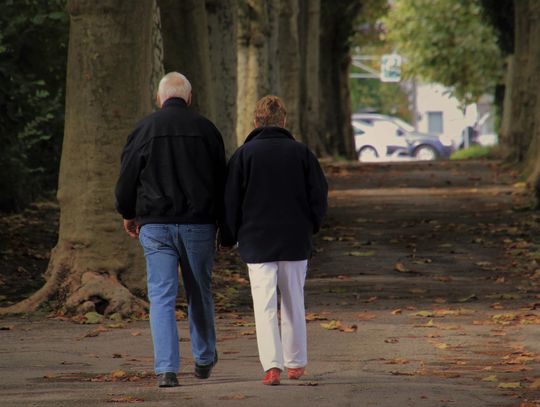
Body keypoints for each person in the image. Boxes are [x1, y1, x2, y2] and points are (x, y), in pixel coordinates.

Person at [115, 72, 224, 388]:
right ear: (189, 97)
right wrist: (225, 225)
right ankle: (204, 358)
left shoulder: (144, 129)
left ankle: (166, 369)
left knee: (161, 296)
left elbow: (126, 179)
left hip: (156, 225)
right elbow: (223, 181)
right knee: (198, 293)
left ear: (159, 97)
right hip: (199, 226)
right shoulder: (207, 130)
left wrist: (128, 213)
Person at [222, 95, 328, 385]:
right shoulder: (302, 153)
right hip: (295, 239)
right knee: (294, 300)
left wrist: (228, 237)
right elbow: (318, 195)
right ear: (284, 121)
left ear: (256, 122)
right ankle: (296, 362)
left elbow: (231, 201)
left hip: (256, 240)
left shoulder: (243, 156)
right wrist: (312, 225)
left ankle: (272, 365)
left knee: (264, 305)